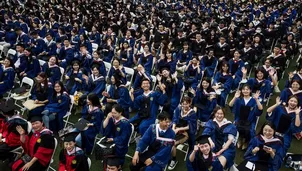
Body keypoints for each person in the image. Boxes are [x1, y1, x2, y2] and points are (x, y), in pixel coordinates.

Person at [202, 106, 237, 171]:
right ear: (214, 114)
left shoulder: (230, 125)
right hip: (212, 146)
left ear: (224, 114)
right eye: (218, 113)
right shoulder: (211, 122)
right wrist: (210, 140)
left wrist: (221, 151)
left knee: (218, 167)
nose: (219, 115)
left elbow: (230, 140)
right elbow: (205, 134)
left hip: (226, 149)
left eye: (221, 114)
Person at [229, 84, 263, 150]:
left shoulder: (253, 100)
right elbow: (230, 105)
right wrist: (235, 97)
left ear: (250, 90)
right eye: (244, 89)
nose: (245, 91)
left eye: (247, 89)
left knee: (250, 131)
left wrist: (256, 100)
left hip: (250, 121)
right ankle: (240, 139)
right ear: (241, 91)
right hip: (239, 119)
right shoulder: (239, 100)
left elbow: (260, 109)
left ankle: (246, 142)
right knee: (236, 127)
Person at [168, 96, 197, 170]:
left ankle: (173, 160)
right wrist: (174, 128)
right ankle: (166, 155)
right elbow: (174, 119)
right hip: (176, 129)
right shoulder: (179, 109)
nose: (184, 106)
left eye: (186, 104)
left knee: (173, 144)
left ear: (190, 103)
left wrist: (179, 129)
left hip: (185, 133)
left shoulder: (192, 113)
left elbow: (189, 127)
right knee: (165, 139)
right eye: (183, 104)